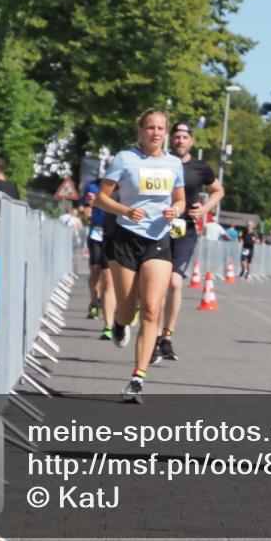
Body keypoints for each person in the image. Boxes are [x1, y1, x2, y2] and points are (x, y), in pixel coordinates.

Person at [96, 108, 185, 403]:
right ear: (141, 130)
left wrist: (177, 210)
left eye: (160, 128)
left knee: (150, 309)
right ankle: (120, 323)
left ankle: (138, 378)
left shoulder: (174, 164)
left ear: (166, 132)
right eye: (150, 128)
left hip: (158, 239)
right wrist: (125, 210)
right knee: (128, 309)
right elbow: (101, 198)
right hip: (126, 239)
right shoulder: (124, 159)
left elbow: (181, 199)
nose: (156, 133)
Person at [151, 122, 224, 364]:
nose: (180, 140)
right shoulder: (160, 162)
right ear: (171, 140)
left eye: (185, 137)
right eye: (177, 137)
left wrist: (203, 209)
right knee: (156, 286)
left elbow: (218, 190)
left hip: (185, 231)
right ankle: (152, 336)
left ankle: (166, 336)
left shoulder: (200, 167)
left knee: (173, 283)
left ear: (191, 141)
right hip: (158, 229)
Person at [80, 175, 118, 332]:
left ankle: (108, 324)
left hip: (113, 233)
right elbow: (83, 207)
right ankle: (94, 301)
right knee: (95, 270)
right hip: (96, 232)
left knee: (108, 277)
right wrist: (87, 208)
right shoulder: (92, 185)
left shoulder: (122, 186)